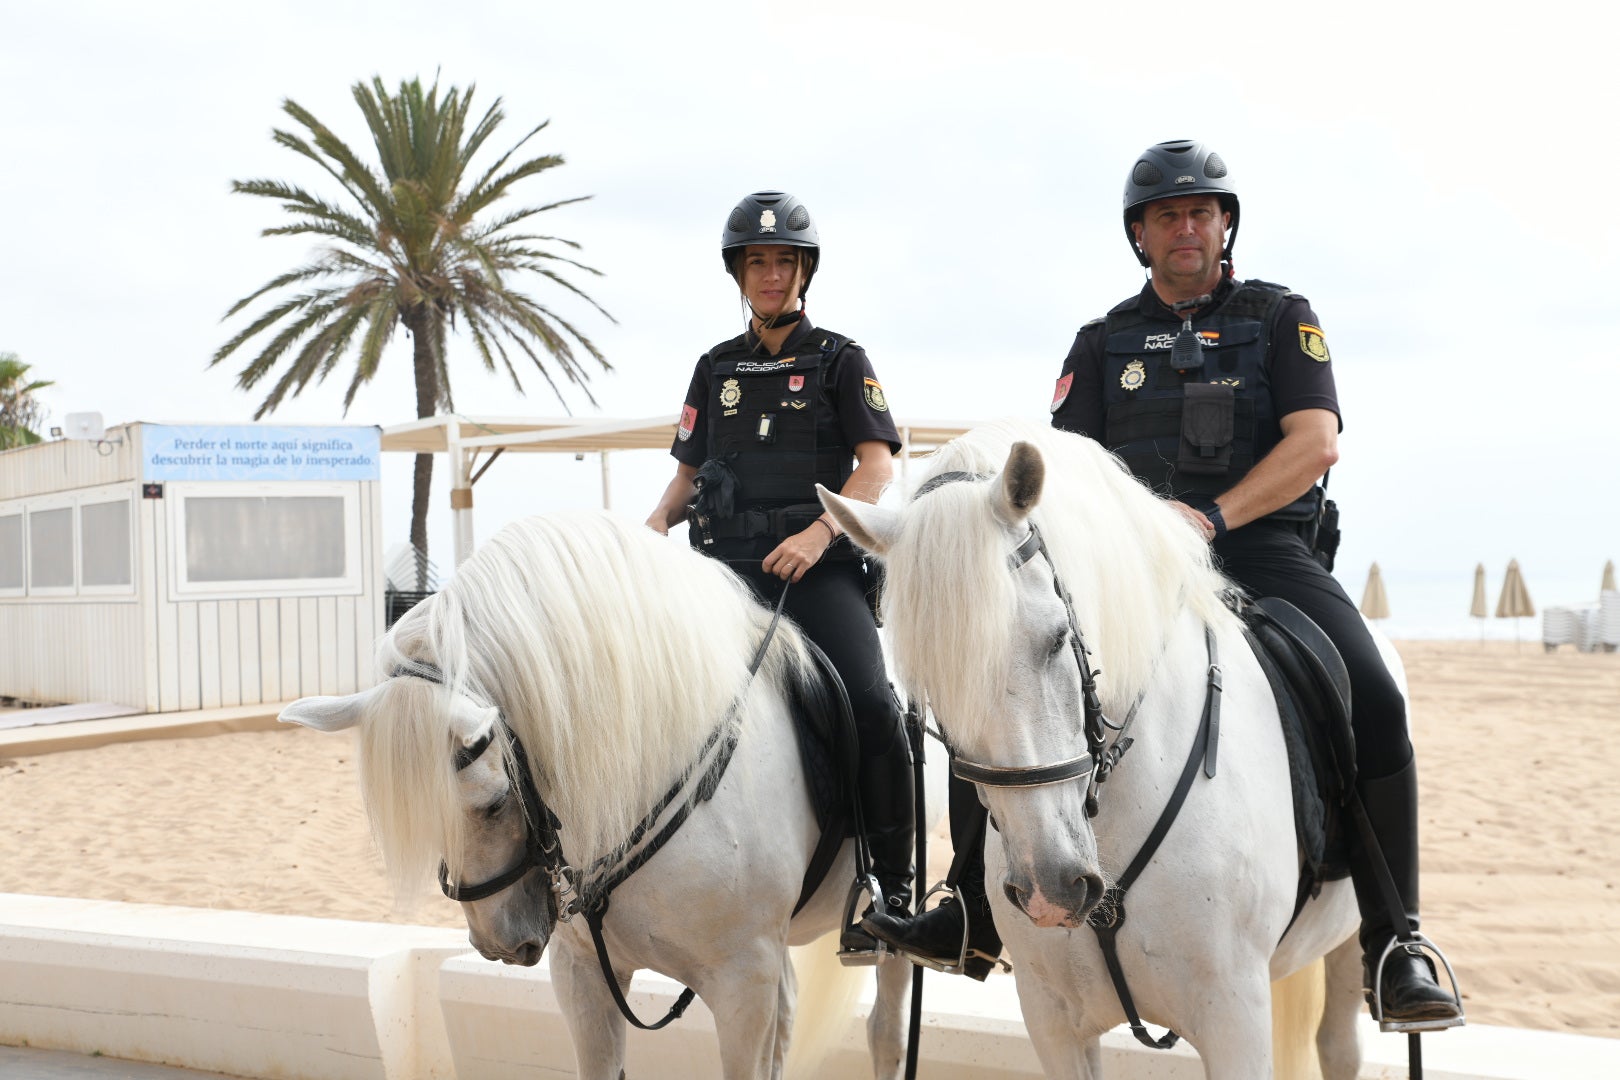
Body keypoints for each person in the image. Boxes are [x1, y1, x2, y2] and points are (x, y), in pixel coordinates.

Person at [870, 140, 1462, 1024]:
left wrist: (1214, 516)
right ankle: (970, 906)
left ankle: (1395, 940)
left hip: (1263, 549)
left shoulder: (1282, 317)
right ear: (1139, 236)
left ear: (1225, 226)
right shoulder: (1101, 342)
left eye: (1201, 212)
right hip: (1132, 568)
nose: (1186, 227)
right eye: (1166, 216)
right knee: (997, 679)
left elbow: (1315, 444)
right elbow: (1064, 470)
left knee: (1372, 693)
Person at [645, 190, 914, 958]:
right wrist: (654, 526)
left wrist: (820, 533)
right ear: (739, 273)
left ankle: (889, 892)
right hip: (723, 577)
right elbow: (686, 476)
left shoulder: (841, 360)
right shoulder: (715, 368)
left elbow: (876, 467)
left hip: (817, 575)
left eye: (783, 262)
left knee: (874, 704)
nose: (770, 275)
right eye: (757, 262)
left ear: (804, 271)